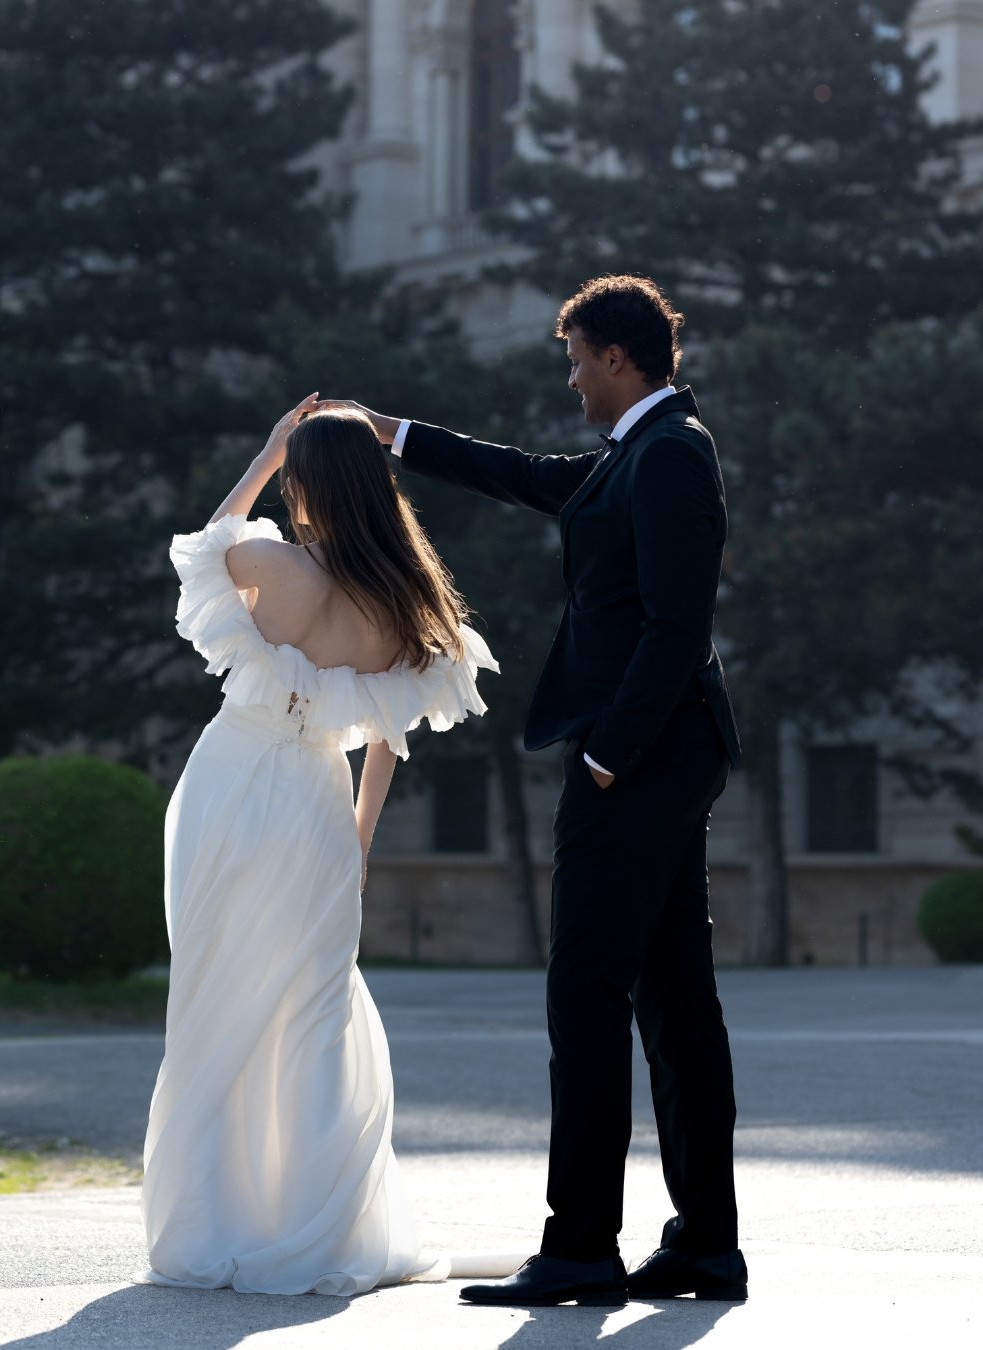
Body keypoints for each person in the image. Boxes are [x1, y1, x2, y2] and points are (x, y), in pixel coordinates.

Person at [322, 273, 747, 1308]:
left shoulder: (671, 455)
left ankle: (581, 1249)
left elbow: (677, 624)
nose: (570, 381)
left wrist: (609, 753)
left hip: (639, 761)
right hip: (653, 756)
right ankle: (703, 1244)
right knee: (673, 997)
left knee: (586, 993)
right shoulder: (632, 456)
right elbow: (523, 475)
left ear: (616, 357)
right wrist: (394, 433)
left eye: (575, 361)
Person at [140, 397, 501, 1296]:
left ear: (303, 482)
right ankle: (315, 1224)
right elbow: (386, 738)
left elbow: (206, 538)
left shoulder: (269, 560)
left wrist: (264, 452)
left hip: (228, 785)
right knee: (313, 1011)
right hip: (316, 802)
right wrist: (360, 839)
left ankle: (214, 1221)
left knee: (215, 999)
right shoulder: (407, 601)